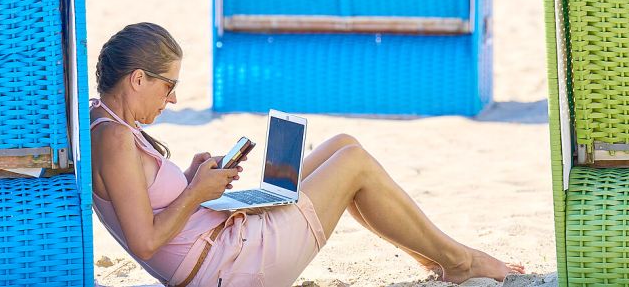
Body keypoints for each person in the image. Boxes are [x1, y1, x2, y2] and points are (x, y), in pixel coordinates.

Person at [91, 22, 524, 287]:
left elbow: (146, 200)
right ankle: (458, 261)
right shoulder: (113, 139)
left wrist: (192, 177)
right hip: (230, 266)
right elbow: (144, 240)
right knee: (353, 166)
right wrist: (194, 193)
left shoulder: (111, 122)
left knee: (343, 145)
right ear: (137, 79)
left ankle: (431, 257)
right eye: (169, 86)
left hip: (221, 241)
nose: (171, 100)